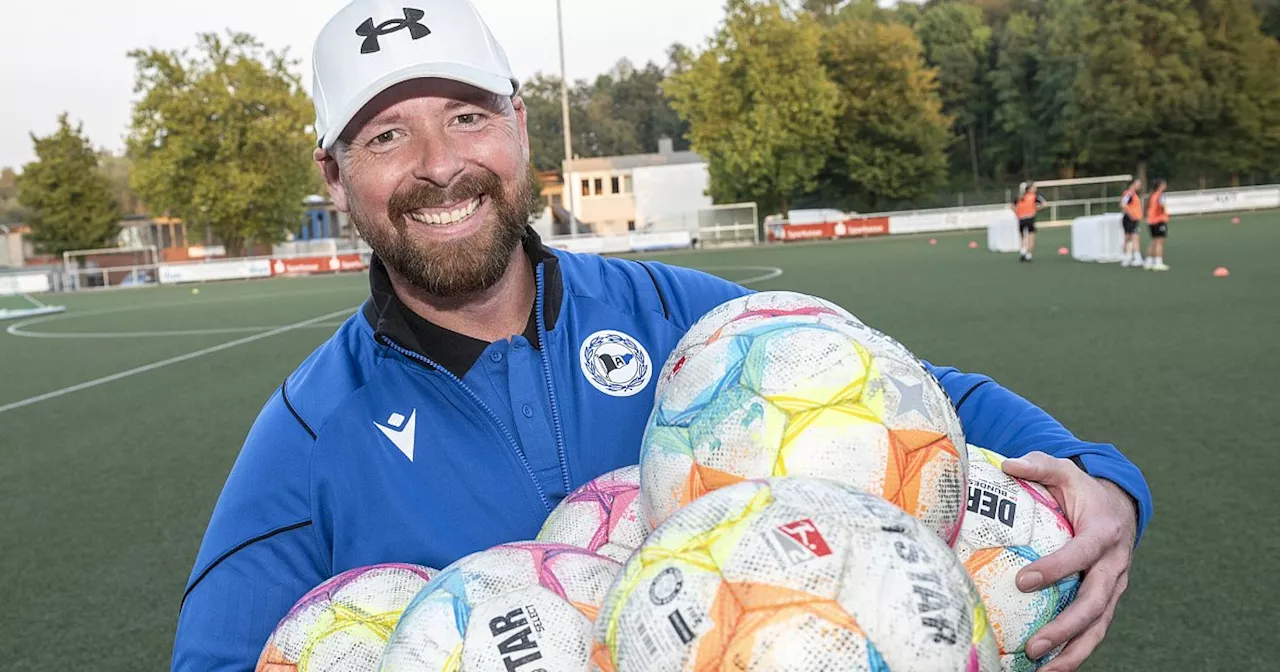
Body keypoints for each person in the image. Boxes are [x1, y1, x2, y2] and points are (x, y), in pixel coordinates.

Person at [171, 1, 1152, 670]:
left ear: (519, 129)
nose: (439, 165)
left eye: (466, 116)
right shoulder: (310, 434)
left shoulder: (675, 317)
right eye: (385, 136)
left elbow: (911, 396)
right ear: (335, 178)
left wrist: (1095, 475)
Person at [1013, 182, 1047, 262]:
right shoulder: (1034, 196)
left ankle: (1022, 251)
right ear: (1029, 189)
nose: (1035, 189)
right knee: (1031, 236)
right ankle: (1029, 254)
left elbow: (1012, 205)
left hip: (1021, 218)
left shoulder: (1019, 196)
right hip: (1030, 218)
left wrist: (1017, 213)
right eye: (1033, 187)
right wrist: (1036, 209)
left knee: (1022, 237)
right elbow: (1045, 204)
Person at [1144, 180, 1170, 271]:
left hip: (1151, 221)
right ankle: (1158, 262)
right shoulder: (1160, 195)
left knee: (1153, 241)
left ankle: (1149, 261)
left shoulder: (1152, 195)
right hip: (1159, 220)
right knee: (1160, 242)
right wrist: (1166, 213)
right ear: (1160, 186)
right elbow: (1162, 205)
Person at [1119, 179, 1145, 268]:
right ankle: (1136, 258)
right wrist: (1131, 215)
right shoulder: (1129, 193)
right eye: (1138, 184)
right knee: (1134, 238)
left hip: (1131, 219)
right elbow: (1123, 204)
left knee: (1129, 238)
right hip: (1130, 219)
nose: (1139, 186)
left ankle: (1126, 257)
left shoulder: (1133, 194)